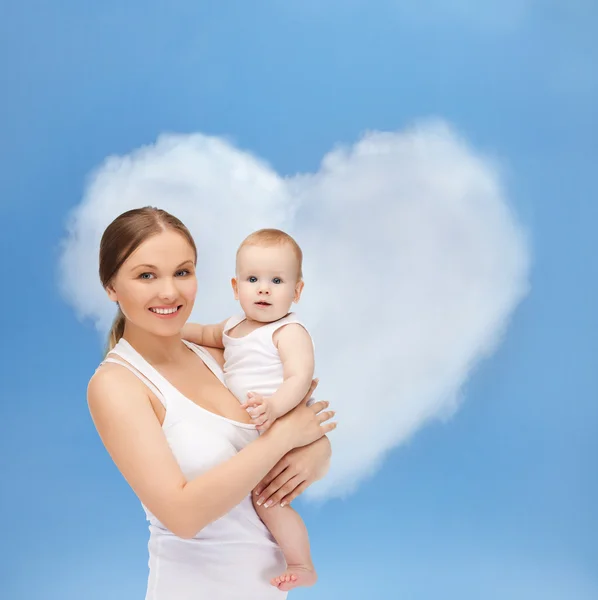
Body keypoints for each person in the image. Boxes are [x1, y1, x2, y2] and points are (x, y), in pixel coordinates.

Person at [87, 207, 336, 600]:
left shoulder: (223, 356)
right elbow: (183, 515)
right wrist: (285, 437)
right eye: (146, 275)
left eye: (182, 272)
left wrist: (317, 453)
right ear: (111, 287)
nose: (169, 291)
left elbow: (300, 426)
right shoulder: (117, 384)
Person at [181, 228, 318, 591]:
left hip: (276, 427)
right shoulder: (232, 327)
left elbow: (299, 377)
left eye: (277, 280)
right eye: (253, 279)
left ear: (297, 291)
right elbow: (205, 333)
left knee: (268, 501)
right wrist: (175, 330)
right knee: (245, 493)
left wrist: (275, 406)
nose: (263, 288)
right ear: (235, 286)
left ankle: (302, 563)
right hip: (250, 433)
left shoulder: (289, 331)